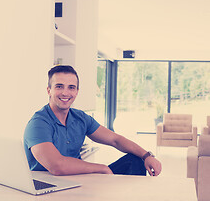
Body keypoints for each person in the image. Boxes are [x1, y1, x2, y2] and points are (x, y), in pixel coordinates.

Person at [24, 65, 162, 176]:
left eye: (71, 87)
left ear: (77, 91)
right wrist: (101, 168)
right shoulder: (38, 123)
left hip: (81, 180)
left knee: (135, 160)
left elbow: (115, 140)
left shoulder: (80, 118)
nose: (65, 93)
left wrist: (146, 155)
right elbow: (57, 166)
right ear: (49, 90)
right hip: (50, 186)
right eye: (59, 86)